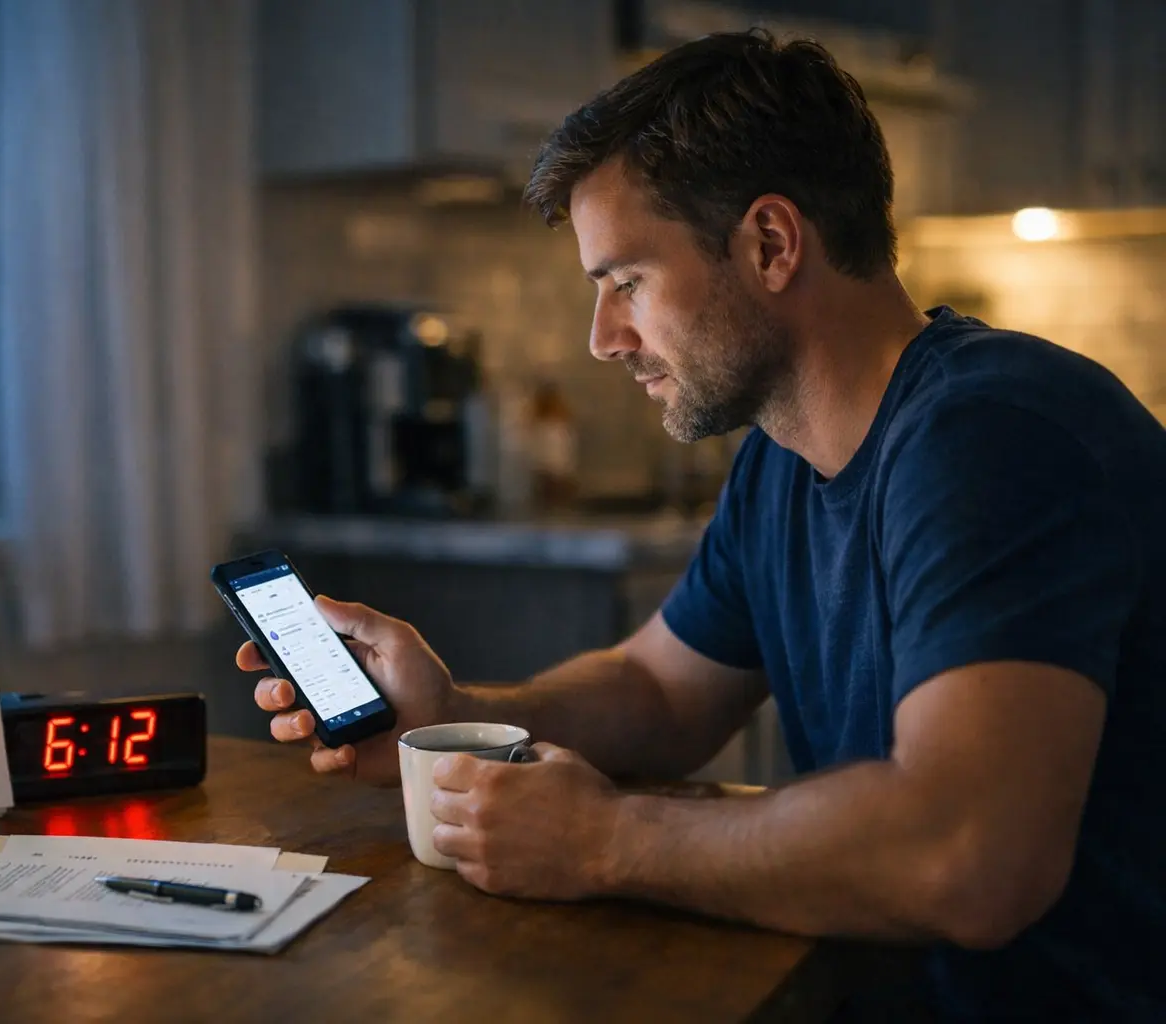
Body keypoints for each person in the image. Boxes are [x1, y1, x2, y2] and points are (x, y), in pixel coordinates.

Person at [239, 29, 1166, 1020]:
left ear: (771, 244)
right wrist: (457, 714)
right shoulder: (782, 460)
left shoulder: (995, 434)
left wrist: (605, 840)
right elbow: (659, 691)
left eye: (626, 283)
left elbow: (969, 856)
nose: (605, 339)